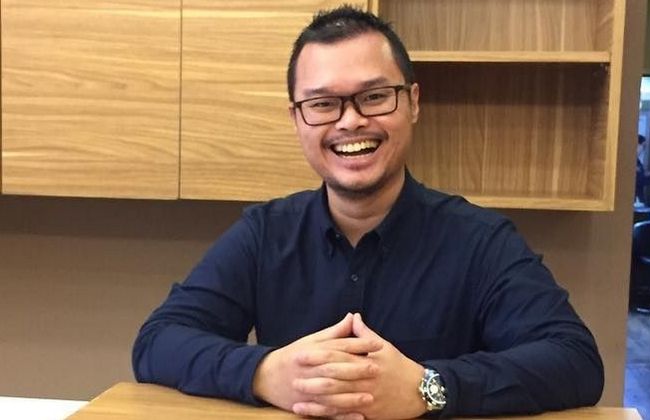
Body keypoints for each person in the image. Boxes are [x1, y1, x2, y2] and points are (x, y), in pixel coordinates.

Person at [132, 6, 603, 419]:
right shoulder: (264, 234)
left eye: (374, 97)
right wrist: (264, 372)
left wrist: (428, 387)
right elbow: (158, 340)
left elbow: (575, 361)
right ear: (296, 119)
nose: (351, 120)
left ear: (412, 102)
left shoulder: (480, 241)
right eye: (323, 104)